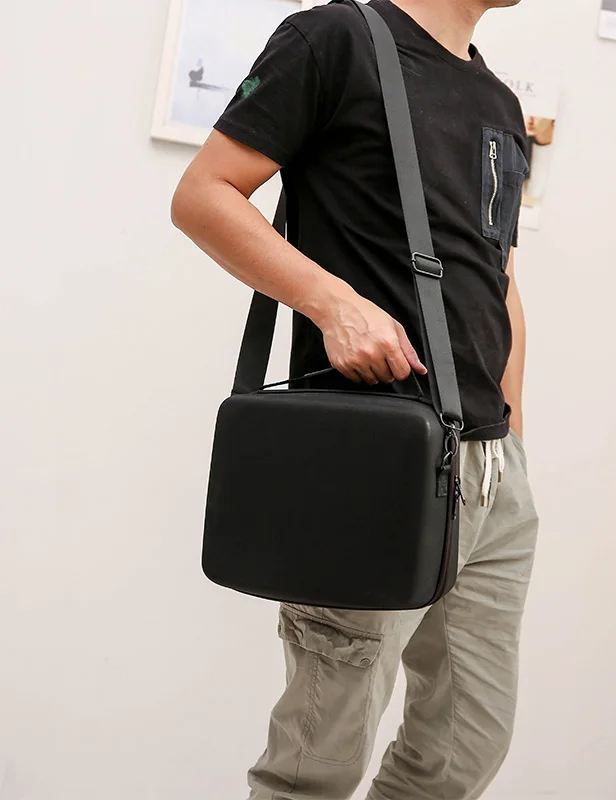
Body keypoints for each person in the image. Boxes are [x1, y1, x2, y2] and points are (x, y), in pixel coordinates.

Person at [171, 0, 540, 797]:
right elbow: (203, 195)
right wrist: (332, 303)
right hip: (377, 470)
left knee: (463, 752)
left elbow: (499, 277)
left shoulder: (502, 104)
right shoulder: (335, 40)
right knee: (317, 767)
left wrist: (512, 441)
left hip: (490, 474)